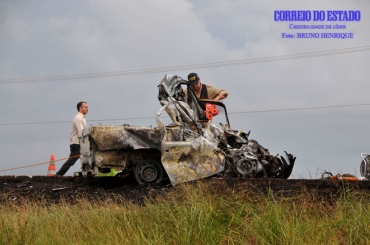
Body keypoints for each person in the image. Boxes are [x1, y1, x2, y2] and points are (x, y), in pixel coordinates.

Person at [56, 101, 88, 176]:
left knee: (86, 159)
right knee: (71, 161)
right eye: (86, 107)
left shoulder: (82, 118)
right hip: (76, 143)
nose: (87, 109)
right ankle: (59, 174)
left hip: (80, 143)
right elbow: (81, 132)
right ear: (80, 108)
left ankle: (85, 174)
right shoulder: (78, 118)